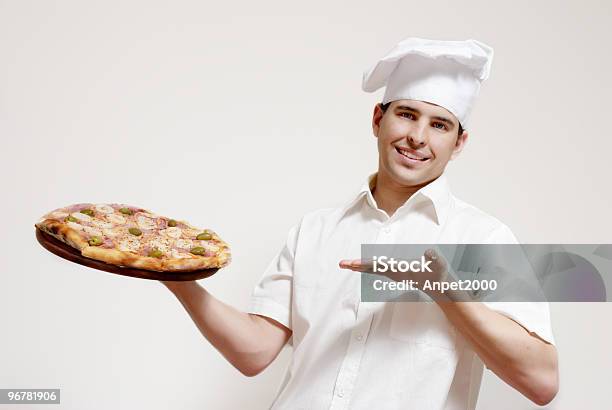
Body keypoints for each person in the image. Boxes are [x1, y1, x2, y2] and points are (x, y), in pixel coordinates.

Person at [162, 37, 559, 410]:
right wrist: (173, 273)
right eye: (407, 115)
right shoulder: (315, 230)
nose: (418, 137)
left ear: (458, 143)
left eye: (439, 125)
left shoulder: (483, 238)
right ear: (377, 119)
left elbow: (541, 382)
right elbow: (254, 352)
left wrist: (444, 291)